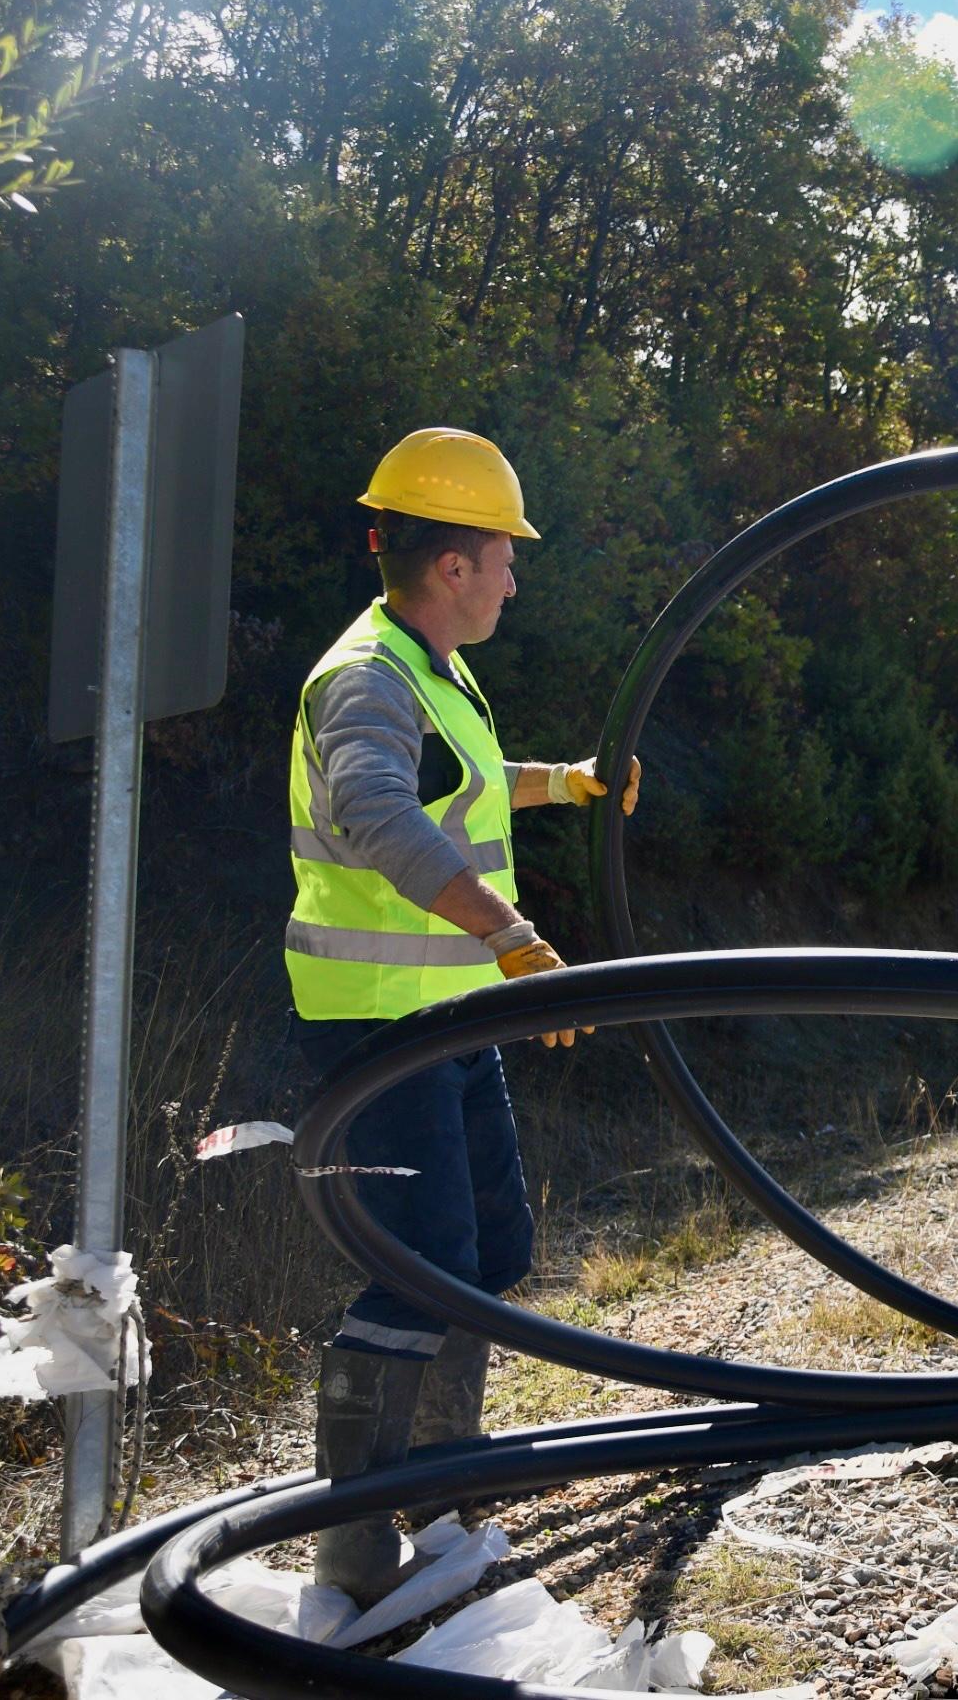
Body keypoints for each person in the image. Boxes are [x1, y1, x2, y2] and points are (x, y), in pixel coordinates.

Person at [284, 426, 641, 1603]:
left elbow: (462, 791)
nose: (513, 579)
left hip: (445, 1015)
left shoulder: (429, 666)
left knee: (488, 1249)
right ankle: (353, 1546)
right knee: (419, 1265)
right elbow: (379, 813)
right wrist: (511, 935)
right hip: (380, 1023)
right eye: (504, 556)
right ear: (453, 565)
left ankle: (444, 1498)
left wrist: (568, 780)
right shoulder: (365, 677)